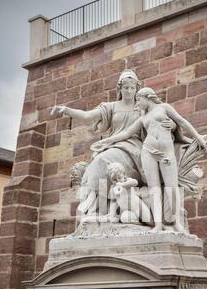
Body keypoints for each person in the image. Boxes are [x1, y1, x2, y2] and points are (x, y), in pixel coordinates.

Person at [51, 70, 174, 219]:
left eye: (132, 88)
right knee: (100, 161)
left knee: (102, 160)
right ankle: (97, 212)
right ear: (119, 89)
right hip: (112, 146)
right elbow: (87, 115)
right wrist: (67, 110)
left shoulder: (141, 106)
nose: (129, 91)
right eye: (126, 87)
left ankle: (97, 210)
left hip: (133, 150)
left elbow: (159, 118)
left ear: (137, 89)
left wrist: (172, 125)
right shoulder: (111, 107)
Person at [92, 87, 207, 232]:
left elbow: (182, 122)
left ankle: (176, 223)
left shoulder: (164, 108)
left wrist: (198, 138)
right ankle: (158, 224)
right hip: (148, 151)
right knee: (154, 190)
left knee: (172, 188)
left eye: (139, 100)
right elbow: (126, 133)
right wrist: (106, 141)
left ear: (146, 97)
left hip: (166, 152)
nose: (137, 104)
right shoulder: (143, 118)